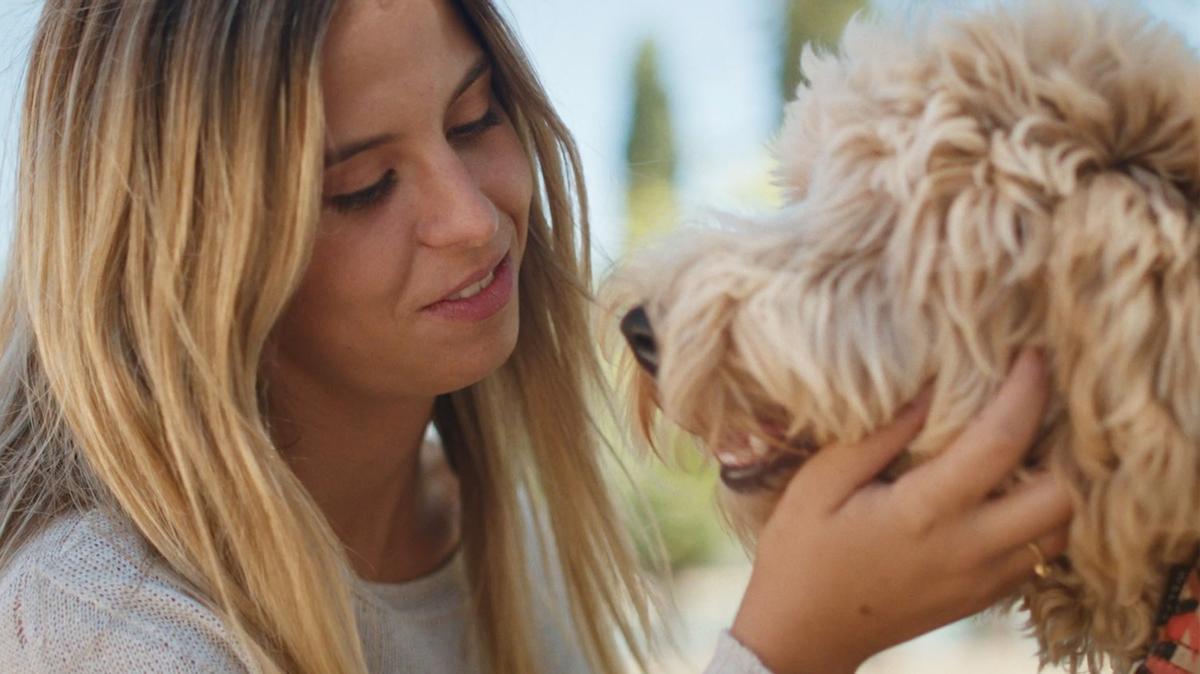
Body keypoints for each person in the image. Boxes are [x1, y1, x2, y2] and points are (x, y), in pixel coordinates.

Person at [0, 1, 1071, 673]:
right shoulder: (100, 622)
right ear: (193, 264)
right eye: (362, 187)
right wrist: (788, 652)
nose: (473, 216)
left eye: (475, 120)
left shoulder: (499, 531)